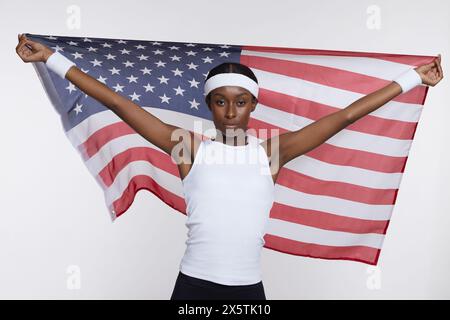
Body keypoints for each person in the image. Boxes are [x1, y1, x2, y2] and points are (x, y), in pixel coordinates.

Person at [16, 33, 443, 300]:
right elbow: (116, 102)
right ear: (210, 106)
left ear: (254, 105)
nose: (232, 110)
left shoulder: (271, 153)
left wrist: (412, 79)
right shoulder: (187, 147)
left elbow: (345, 116)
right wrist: (51, 58)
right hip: (194, 286)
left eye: (241, 102)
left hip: (247, 290)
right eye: (222, 102)